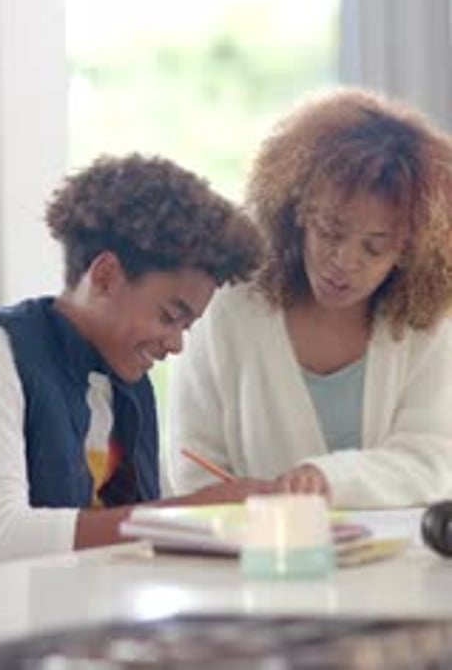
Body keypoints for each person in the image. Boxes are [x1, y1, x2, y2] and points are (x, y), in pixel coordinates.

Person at [0, 153, 281, 568]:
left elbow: (145, 521)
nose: (176, 345)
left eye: (187, 326)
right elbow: (5, 538)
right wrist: (191, 512)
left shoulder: (131, 385)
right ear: (106, 275)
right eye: (169, 316)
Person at [167, 88, 452, 509]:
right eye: (330, 232)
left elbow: (434, 461)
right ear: (296, 211)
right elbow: (193, 460)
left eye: (374, 247)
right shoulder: (231, 304)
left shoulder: (427, 323)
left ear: (408, 250)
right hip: (252, 560)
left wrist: (325, 480)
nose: (344, 262)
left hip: (396, 566)